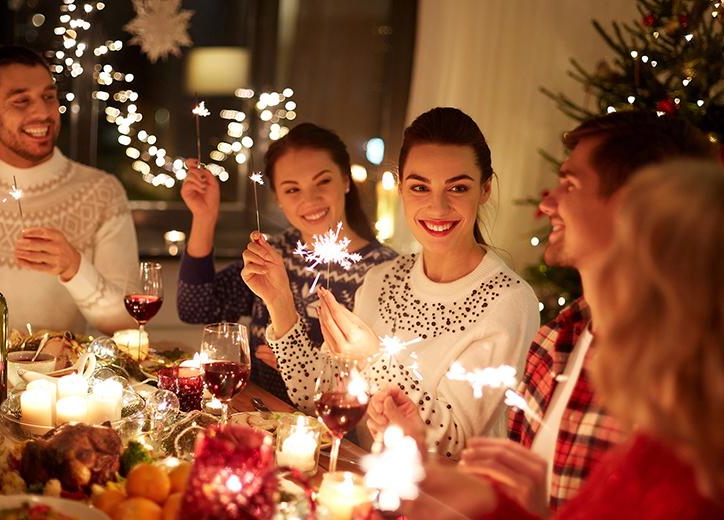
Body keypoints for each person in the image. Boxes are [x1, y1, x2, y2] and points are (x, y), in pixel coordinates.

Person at [370, 110, 718, 512]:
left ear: (635, 205)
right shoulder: (557, 341)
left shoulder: (685, 384)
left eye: (569, 184)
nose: (548, 202)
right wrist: (421, 451)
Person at [246, 107, 540, 457]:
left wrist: (373, 359)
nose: (438, 206)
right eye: (420, 186)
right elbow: (319, 396)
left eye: (458, 187)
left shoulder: (508, 300)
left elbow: (453, 445)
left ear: (486, 189)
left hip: (440, 502)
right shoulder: (384, 277)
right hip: (366, 486)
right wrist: (280, 304)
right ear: (401, 188)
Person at [176, 122, 396, 401]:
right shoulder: (273, 253)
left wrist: (299, 365)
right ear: (278, 198)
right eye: (292, 189)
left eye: (323, 181)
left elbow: (385, 379)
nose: (311, 199)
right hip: (259, 417)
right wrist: (204, 217)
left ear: (346, 180)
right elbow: (196, 308)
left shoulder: (385, 271)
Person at [0, 46, 138, 334]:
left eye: (48, 97)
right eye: (21, 101)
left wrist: (74, 268)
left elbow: (127, 323)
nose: (42, 112)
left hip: (64, 377)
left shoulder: (101, 192)